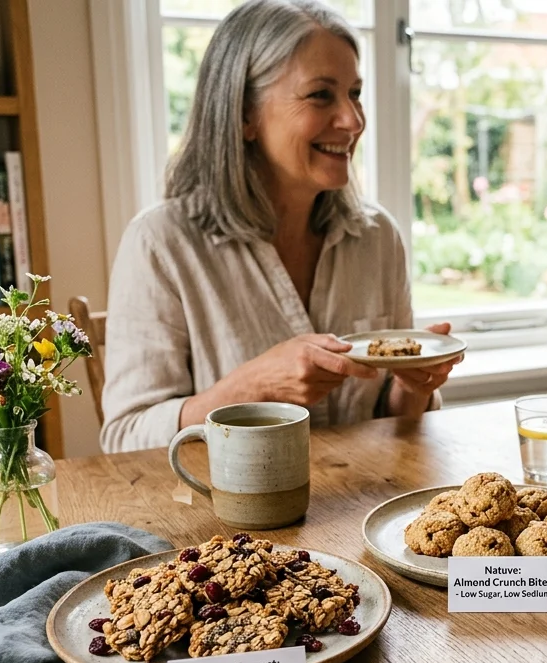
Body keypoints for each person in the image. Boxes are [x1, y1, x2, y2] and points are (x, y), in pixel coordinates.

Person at [101, 0, 457, 454]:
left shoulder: (377, 239)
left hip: (359, 509)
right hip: (223, 521)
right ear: (245, 115)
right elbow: (124, 438)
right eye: (321, 95)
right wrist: (249, 387)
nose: (353, 120)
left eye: (355, 93)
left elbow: (395, 432)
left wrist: (414, 387)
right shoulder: (160, 244)